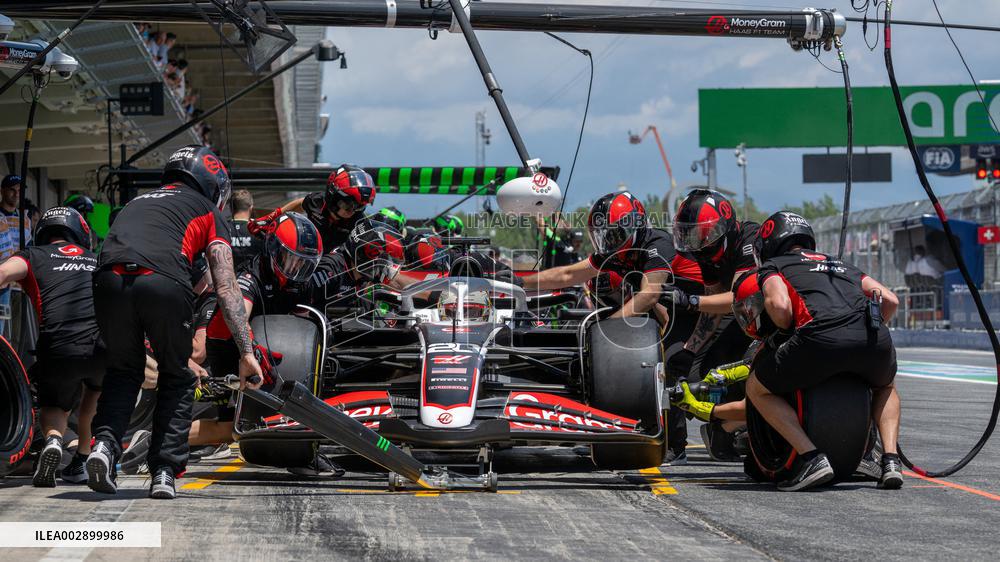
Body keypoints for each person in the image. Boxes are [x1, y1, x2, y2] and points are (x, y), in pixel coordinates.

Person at [88, 145, 262, 500]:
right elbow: (227, 288)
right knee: (177, 376)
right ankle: (165, 470)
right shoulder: (209, 211)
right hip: (163, 282)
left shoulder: (137, 202)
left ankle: (103, 447)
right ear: (213, 184)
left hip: (107, 281)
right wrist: (246, 351)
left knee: (123, 371)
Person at [743, 211, 902, 491]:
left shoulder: (773, 266)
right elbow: (890, 300)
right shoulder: (841, 264)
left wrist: (784, 331)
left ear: (768, 244)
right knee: (886, 385)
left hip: (818, 340)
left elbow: (779, 307)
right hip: (872, 340)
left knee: (756, 388)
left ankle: (811, 457)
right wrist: (863, 333)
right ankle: (889, 459)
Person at [0, 208, 104, 487]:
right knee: (92, 394)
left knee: (54, 403)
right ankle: (83, 458)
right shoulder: (96, 260)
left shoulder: (33, 256)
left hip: (59, 346)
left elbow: (2, 273)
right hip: (101, 345)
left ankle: (54, 441)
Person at [659, 188, 759, 464]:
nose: (696, 241)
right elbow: (714, 304)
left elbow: (741, 297)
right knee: (693, 374)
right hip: (741, 320)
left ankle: (739, 426)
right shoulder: (709, 255)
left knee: (747, 371)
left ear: (723, 226)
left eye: (703, 232)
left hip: (765, 323)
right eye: (690, 233)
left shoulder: (749, 241)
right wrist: (689, 350)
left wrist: (691, 300)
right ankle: (720, 430)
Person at [522, 191, 674, 322]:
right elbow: (567, 275)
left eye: (614, 235)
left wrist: (609, 325)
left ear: (634, 223)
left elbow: (650, 295)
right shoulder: (615, 253)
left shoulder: (657, 243)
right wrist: (520, 282)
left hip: (687, 313)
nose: (609, 242)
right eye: (603, 237)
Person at [249, 164, 375, 252]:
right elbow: (300, 203)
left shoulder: (360, 224)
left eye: (359, 207)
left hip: (335, 272)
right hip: (305, 258)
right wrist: (271, 218)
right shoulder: (316, 201)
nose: (352, 212)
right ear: (334, 196)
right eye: (348, 205)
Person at [229, 189, 263, 269]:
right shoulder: (258, 231)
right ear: (251, 208)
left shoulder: (222, 228)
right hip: (252, 278)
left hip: (226, 279)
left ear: (231, 208)